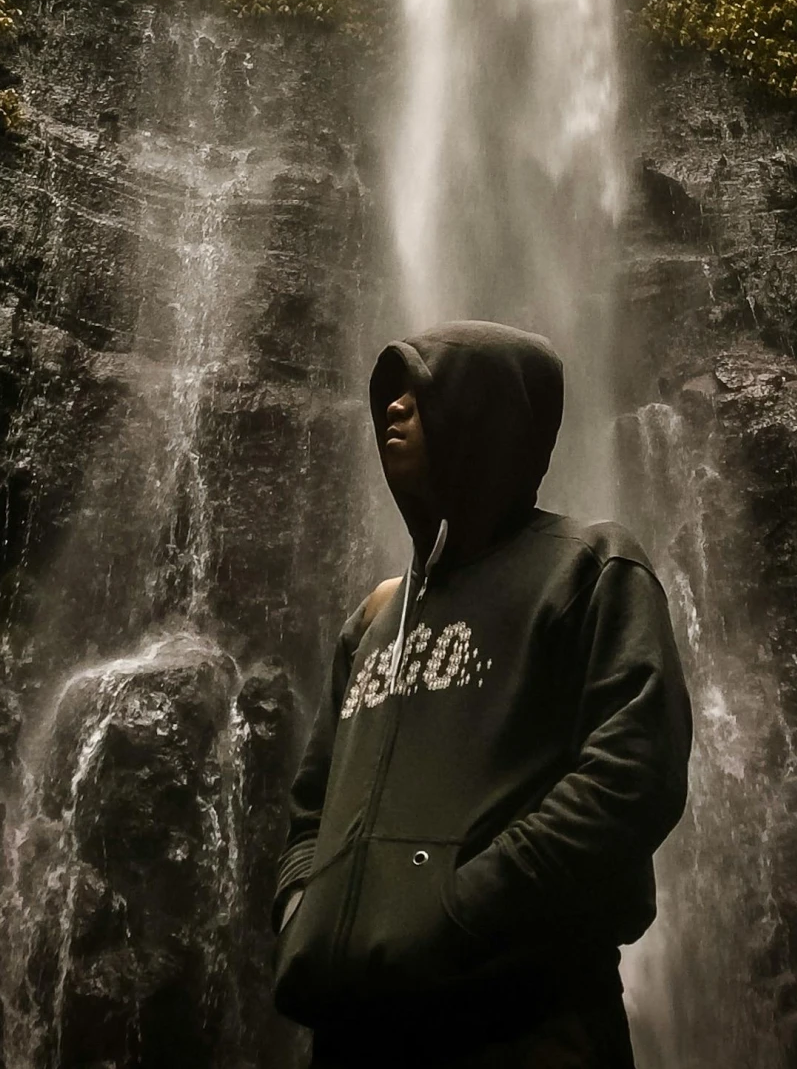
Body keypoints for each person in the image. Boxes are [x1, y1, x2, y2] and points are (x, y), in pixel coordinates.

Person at [273, 319, 692, 1068]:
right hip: (353, 1035)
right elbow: (311, 808)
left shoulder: (589, 568)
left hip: (525, 1025)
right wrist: (304, 912)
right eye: (387, 396)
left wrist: (456, 910)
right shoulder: (374, 618)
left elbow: (633, 774)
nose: (392, 410)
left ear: (486, 417)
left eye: (422, 393)